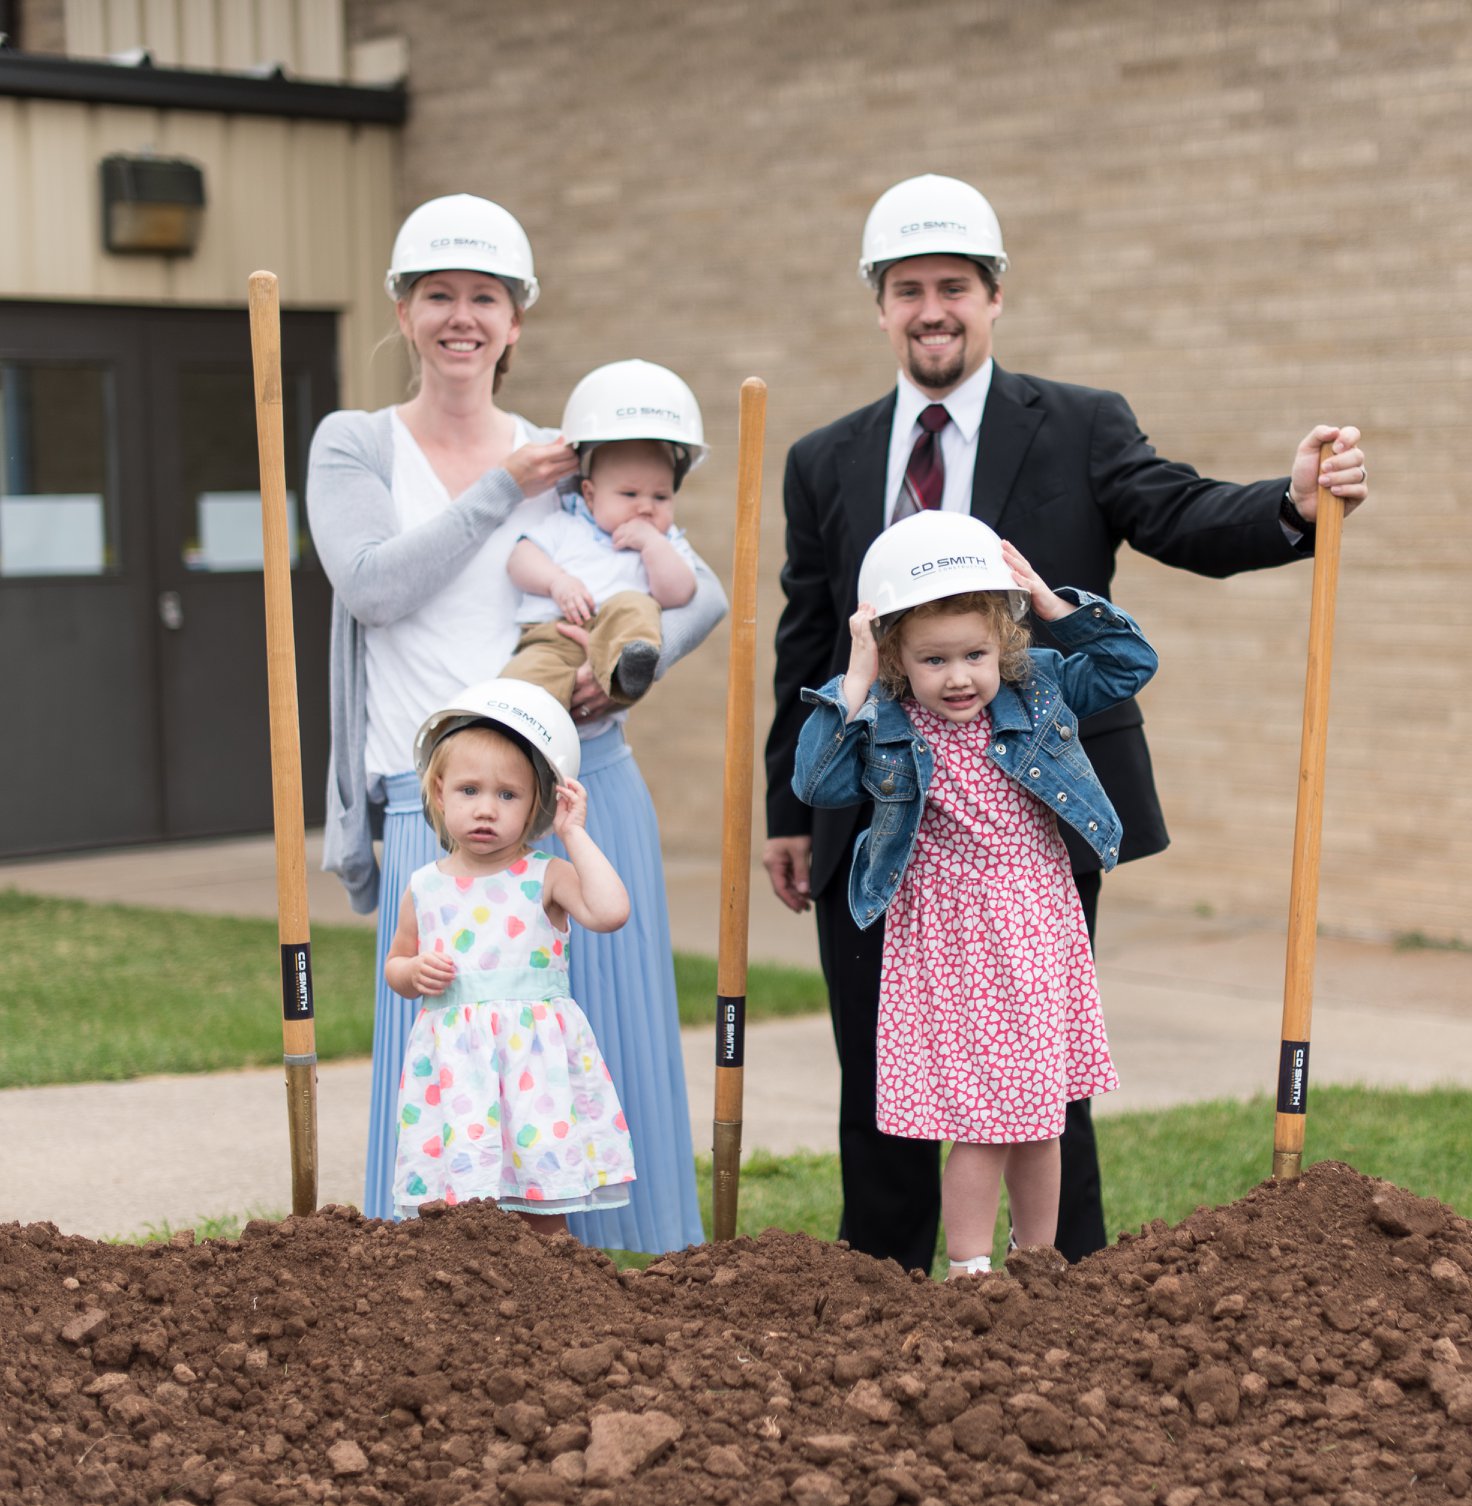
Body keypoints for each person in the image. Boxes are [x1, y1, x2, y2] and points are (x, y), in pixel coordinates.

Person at [761, 172, 1371, 1272]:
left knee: (1040, 1067)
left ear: (993, 298)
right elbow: (806, 639)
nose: (931, 308)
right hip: (878, 816)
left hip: (1029, 815)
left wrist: (1287, 506)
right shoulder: (824, 460)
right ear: (880, 304)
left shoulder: (1081, 425)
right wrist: (787, 810)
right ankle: (885, 1283)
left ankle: (1062, 1280)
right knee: (886, 1064)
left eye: (954, 285)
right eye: (908, 289)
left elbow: (1177, 512)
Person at [306, 194, 725, 1252]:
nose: (462, 318)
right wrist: (501, 488)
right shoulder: (357, 446)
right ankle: (449, 1322)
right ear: (401, 312)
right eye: (437, 295)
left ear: (517, 320)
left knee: (606, 1060)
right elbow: (371, 588)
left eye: (484, 298)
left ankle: (634, 1299)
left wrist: (615, 682)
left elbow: (700, 592)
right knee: (443, 1090)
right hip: (434, 805)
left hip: (579, 790)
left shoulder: (568, 454)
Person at [793, 514, 1156, 1276]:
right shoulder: (887, 720)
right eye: (933, 660)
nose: (958, 677)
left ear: (1006, 646)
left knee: (1042, 1113)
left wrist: (1054, 606)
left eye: (975, 655)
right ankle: (969, 1272)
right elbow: (816, 782)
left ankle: (1039, 1261)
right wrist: (853, 681)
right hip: (951, 938)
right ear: (895, 656)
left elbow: (1127, 663)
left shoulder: (1039, 692)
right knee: (984, 1119)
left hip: (1035, 922)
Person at [386, 680, 635, 1234]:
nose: (485, 809)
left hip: (532, 1070)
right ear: (438, 792)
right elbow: (397, 963)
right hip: (456, 1072)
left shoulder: (545, 875)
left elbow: (610, 911)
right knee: (456, 1210)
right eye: (469, 790)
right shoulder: (426, 886)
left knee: (541, 1203)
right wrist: (412, 973)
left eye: (507, 795)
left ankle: (552, 1298)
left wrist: (574, 835)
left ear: (537, 805)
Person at [503, 361, 705, 709]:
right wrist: (557, 582)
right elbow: (520, 559)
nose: (645, 507)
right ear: (591, 495)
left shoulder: (666, 541)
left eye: (661, 497)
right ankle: (504, 720)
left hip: (616, 638)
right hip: (553, 636)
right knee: (524, 684)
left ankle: (630, 668)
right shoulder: (570, 524)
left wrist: (652, 544)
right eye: (629, 495)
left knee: (637, 605)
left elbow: (679, 593)